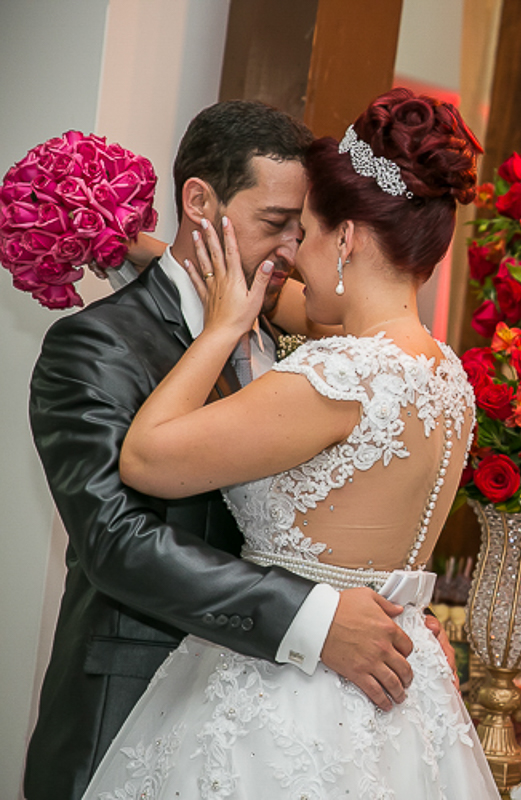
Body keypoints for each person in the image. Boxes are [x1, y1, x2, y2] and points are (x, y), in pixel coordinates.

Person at [82, 87, 497, 798]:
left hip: (288, 696)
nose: (292, 255)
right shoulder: (446, 374)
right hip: (397, 696)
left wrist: (219, 329)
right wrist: (160, 253)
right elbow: (300, 301)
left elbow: (147, 459)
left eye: (303, 232)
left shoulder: (336, 377)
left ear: (347, 238)